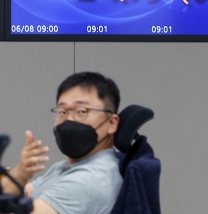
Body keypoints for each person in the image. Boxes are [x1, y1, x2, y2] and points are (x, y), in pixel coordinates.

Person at [0, 72, 123, 214]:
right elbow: (12, 195)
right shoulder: (65, 167)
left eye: (81, 111)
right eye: (62, 112)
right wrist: (21, 172)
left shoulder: (88, 180)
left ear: (112, 123)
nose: (68, 120)